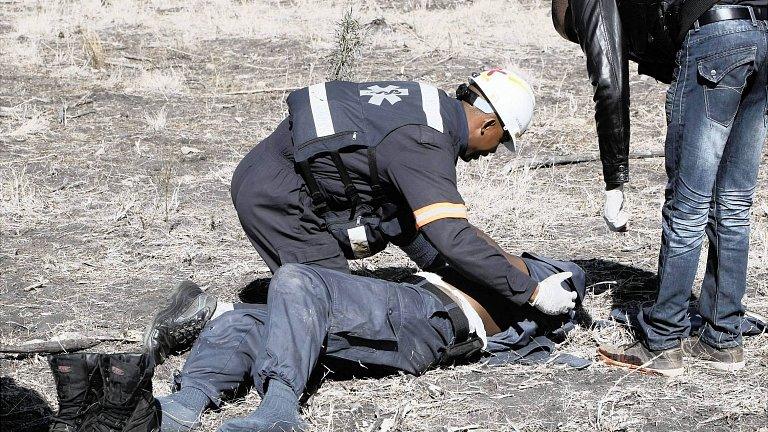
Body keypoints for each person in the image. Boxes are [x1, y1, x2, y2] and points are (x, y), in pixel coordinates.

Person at [230, 70, 577, 317]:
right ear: (487, 125)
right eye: (501, 140)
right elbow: (452, 237)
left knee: (329, 300)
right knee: (335, 312)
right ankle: (225, 319)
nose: (493, 151)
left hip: (280, 175)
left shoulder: (432, 107)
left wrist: (443, 268)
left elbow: (401, 213)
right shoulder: (424, 144)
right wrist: (531, 292)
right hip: (277, 195)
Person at [552, 0, 767, 374]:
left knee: (688, 205)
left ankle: (663, 340)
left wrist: (614, 181)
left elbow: (609, 83)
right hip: (763, 30)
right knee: (733, 204)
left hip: (715, 34)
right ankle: (723, 338)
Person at [152, 253, 587, 432]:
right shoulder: (491, 271)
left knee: (298, 280)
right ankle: (187, 401)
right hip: (406, 319)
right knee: (250, 318)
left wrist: (538, 290)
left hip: (423, 315)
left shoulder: (529, 277)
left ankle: (279, 408)